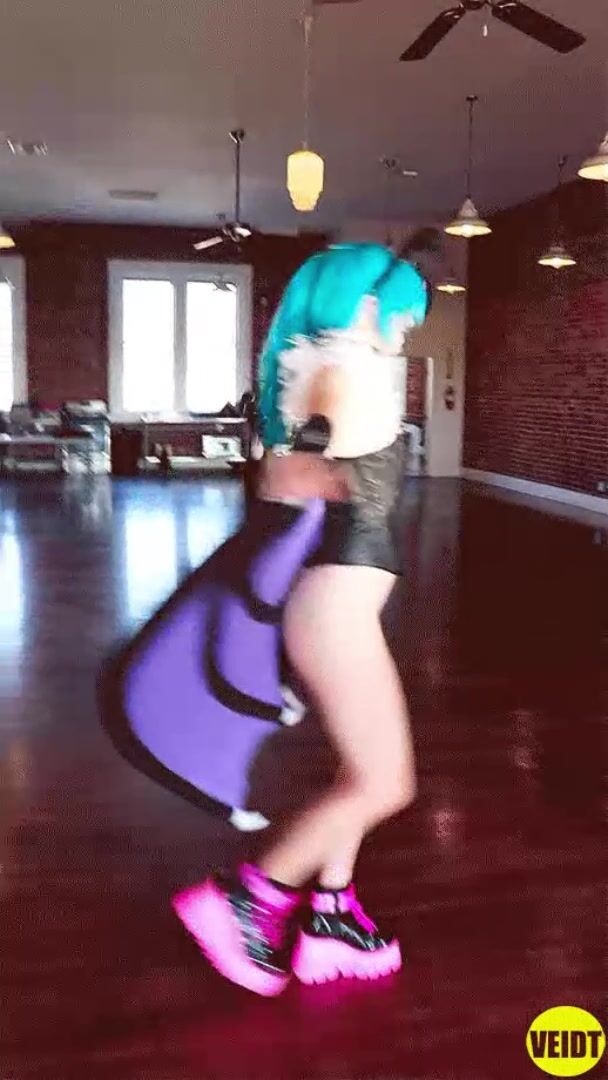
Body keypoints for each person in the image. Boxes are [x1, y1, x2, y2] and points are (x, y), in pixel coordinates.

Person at [173, 241, 433, 996]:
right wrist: (314, 469)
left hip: (337, 609)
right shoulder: (341, 371)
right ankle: (246, 902)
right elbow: (290, 475)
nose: (402, 330)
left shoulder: (318, 368)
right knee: (386, 784)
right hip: (335, 612)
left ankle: (332, 918)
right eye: (398, 315)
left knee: (360, 771)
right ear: (363, 305)